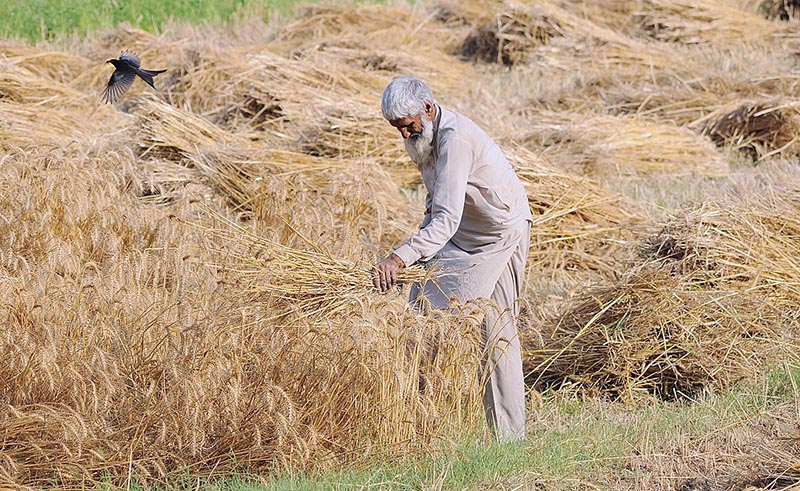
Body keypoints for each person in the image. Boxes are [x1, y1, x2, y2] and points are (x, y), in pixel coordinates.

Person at [372, 75, 533, 442]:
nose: (404, 135)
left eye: (408, 126)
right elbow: (437, 205)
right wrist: (415, 256)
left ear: (427, 109)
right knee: (420, 309)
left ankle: (510, 439)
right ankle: (418, 422)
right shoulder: (422, 137)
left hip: (499, 235)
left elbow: (444, 219)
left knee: (497, 332)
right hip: (461, 234)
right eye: (397, 129)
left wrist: (399, 257)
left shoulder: (455, 139)